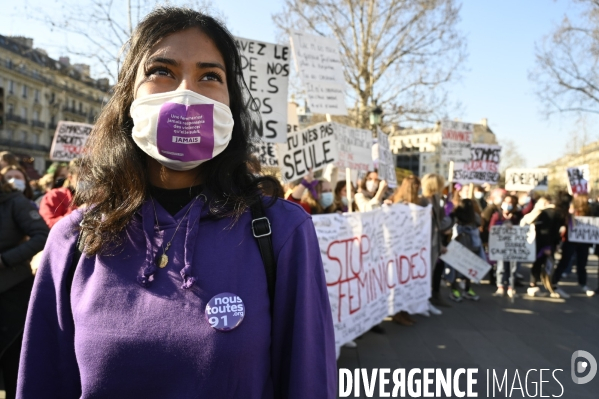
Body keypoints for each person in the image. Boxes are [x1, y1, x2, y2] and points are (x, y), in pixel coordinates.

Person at [17, 8, 336, 399]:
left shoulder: (282, 231)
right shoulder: (73, 239)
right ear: (128, 95)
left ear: (231, 104)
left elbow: (309, 383)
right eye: (161, 71)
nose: (186, 92)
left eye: (210, 76)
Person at [0, 174, 49, 399]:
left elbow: (41, 235)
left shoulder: (15, 202)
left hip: (12, 292)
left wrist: (6, 260)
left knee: (13, 365)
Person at [551, 194, 595, 297]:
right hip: (570, 241)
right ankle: (554, 282)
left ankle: (583, 283)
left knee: (582, 264)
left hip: (583, 242)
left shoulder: (590, 213)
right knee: (565, 262)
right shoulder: (570, 213)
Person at [420, 174, 453, 309]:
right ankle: (422, 300)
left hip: (434, 242)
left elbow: (438, 223)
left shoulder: (435, 199)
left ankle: (426, 300)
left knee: (430, 272)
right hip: (423, 243)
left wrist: (440, 244)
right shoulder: (421, 201)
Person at [449, 197, 484, 302]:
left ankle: (454, 289)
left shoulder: (455, 216)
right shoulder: (474, 217)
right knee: (468, 266)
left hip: (457, 244)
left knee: (455, 267)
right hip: (471, 245)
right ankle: (467, 288)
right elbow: (480, 223)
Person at [490, 195, 522, 298]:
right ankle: (500, 286)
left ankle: (511, 287)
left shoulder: (516, 217)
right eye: (506, 202)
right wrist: (503, 227)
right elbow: (491, 229)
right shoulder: (497, 215)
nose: (508, 205)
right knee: (501, 267)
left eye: (510, 203)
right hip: (501, 247)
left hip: (513, 247)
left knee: (513, 268)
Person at [38, 158, 81, 228]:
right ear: (70, 178)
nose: (87, 180)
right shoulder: (54, 196)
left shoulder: (100, 197)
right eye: (81, 177)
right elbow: (48, 223)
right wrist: (78, 213)